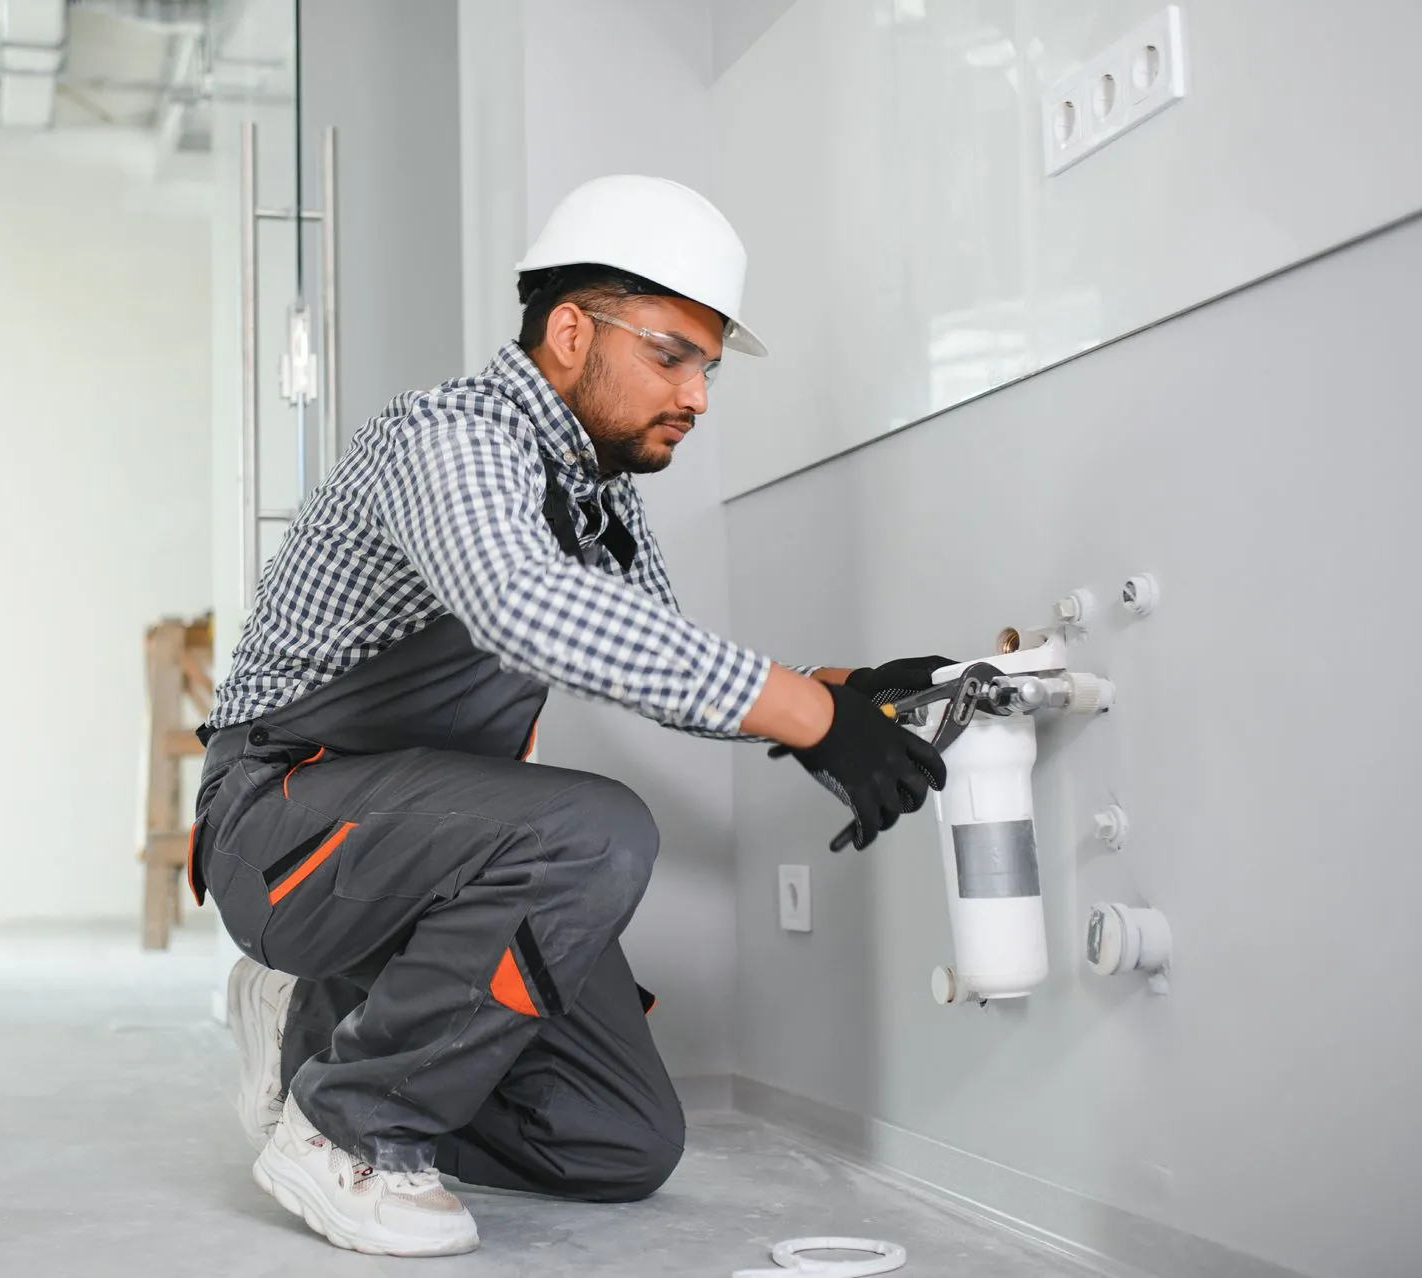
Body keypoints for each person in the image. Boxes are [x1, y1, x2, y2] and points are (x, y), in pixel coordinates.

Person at [187, 174, 951, 1258]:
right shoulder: (447, 439)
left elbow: (656, 656)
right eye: (670, 355)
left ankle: (313, 1032)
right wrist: (804, 718)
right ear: (569, 331)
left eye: (709, 368)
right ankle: (346, 1131)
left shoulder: (598, 494)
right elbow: (523, 604)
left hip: (421, 852)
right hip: (282, 825)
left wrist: (836, 696)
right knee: (596, 827)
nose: (695, 394)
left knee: (616, 1144)